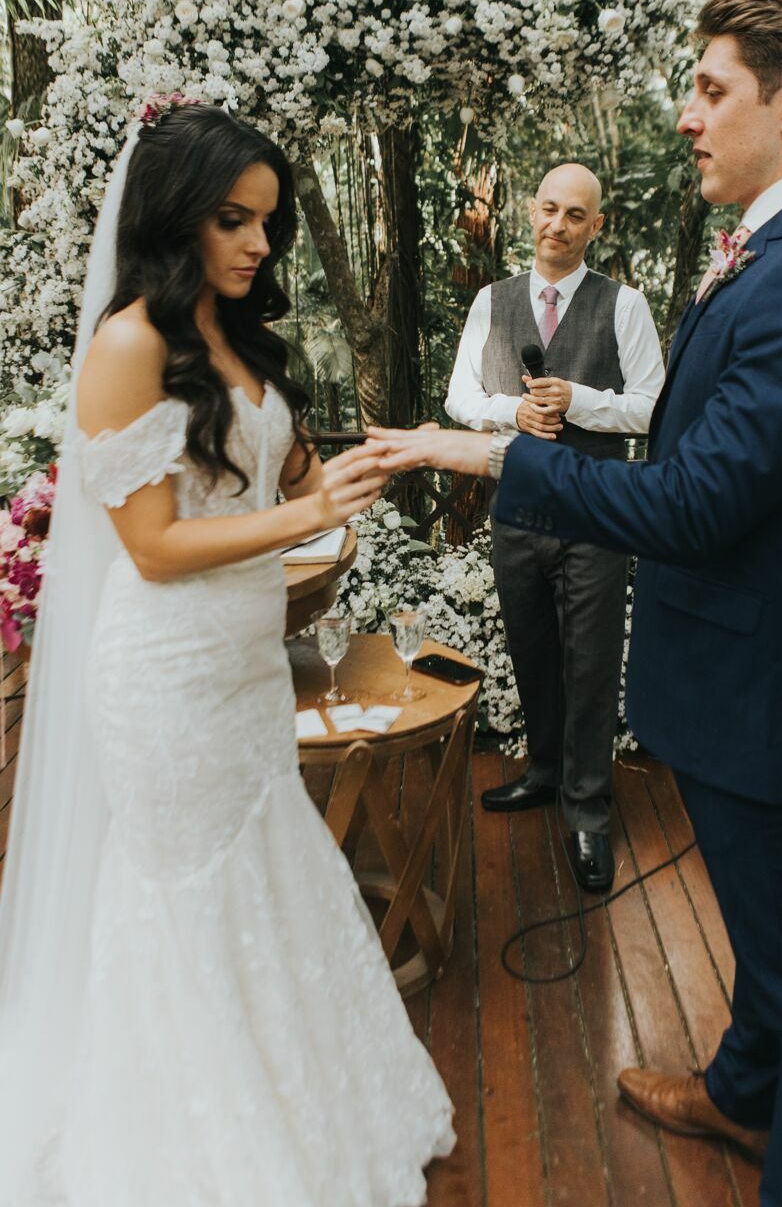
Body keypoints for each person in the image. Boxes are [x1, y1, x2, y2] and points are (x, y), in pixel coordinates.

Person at [368, 0, 782, 1207]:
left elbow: (693, 501)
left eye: (709, 89)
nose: (686, 115)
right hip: (733, 672)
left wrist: (504, 455)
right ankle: (737, 1091)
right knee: (765, 931)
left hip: (769, 685)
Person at [0, 100, 455, 1206]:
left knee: (264, 870)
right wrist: (306, 519)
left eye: (267, 221)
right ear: (174, 218)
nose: (258, 243)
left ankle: (306, 1101)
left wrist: (356, 469)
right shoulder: (128, 345)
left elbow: (288, 478)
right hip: (162, 681)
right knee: (186, 897)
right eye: (232, 219)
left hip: (245, 669)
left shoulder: (236, 337)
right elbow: (152, 547)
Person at [445, 163, 663, 892]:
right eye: (548, 209)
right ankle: (543, 772)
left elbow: (651, 409)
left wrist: (577, 401)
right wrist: (515, 413)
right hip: (519, 505)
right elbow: (459, 398)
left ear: (595, 226)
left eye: (576, 215)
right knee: (532, 646)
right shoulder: (492, 300)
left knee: (591, 660)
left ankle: (588, 810)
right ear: (529, 213)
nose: (558, 225)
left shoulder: (622, 305)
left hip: (596, 507)